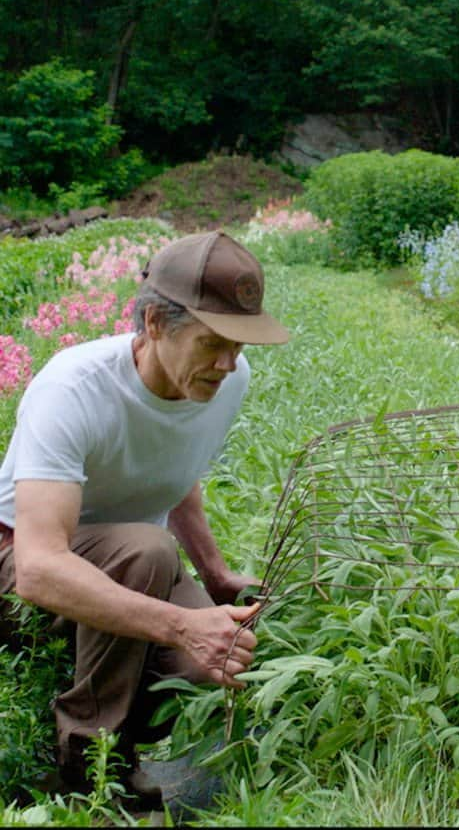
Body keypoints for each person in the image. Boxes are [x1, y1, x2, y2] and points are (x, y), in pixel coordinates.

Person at [0, 230, 290, 807]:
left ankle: (119, 711)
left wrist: (213, 574)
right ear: (155, 324)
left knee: (215, 662)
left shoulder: (227, 378)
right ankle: (90, 776)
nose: (229, 364)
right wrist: (179, 623)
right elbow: (37, 568)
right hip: (17, 566)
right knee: (147, 553)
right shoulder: (74, 388)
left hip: (128, 564)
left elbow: (175, 472)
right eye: (213, 344)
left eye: (239, 345)